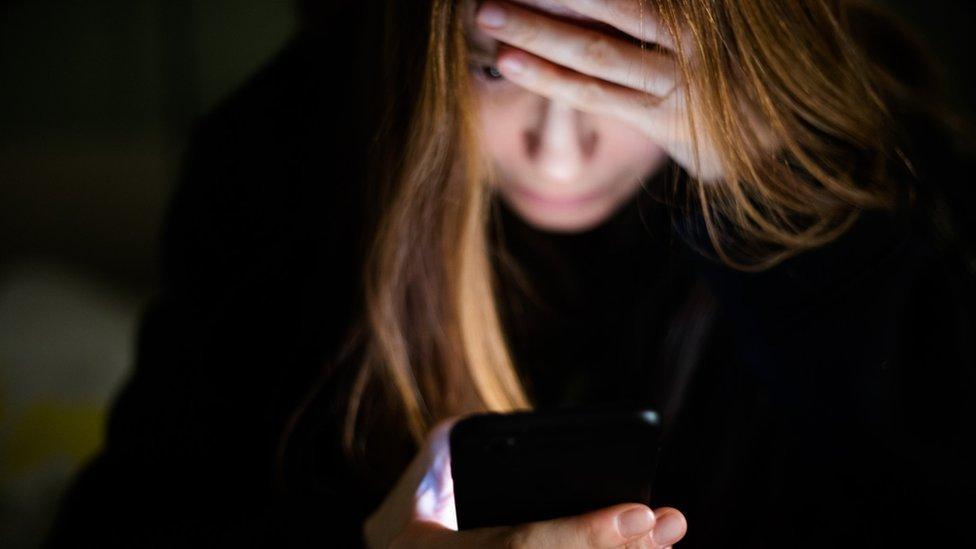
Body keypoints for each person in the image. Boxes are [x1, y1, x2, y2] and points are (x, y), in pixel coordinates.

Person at [49, 0, 976, 547]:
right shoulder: (281, 167)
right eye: (491, 71)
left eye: (628, 71)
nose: (558, 156)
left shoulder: (881, 170)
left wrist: (791, 213)